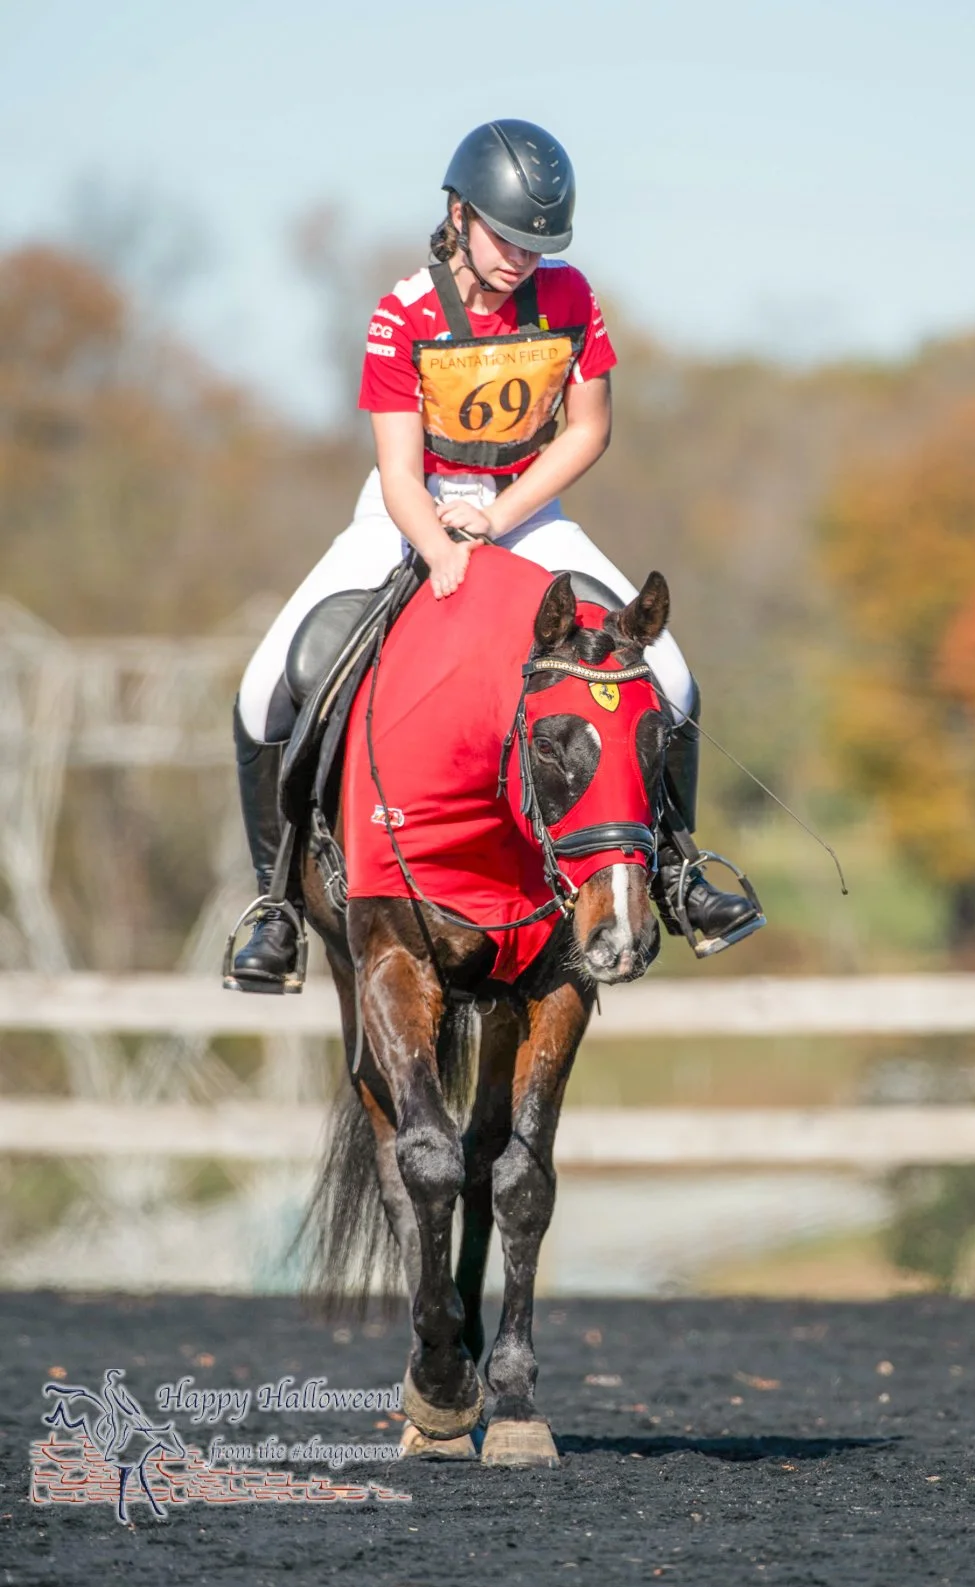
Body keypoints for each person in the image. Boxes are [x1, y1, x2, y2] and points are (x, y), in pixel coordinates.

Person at [229, 119, 763, 990]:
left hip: (527, 509)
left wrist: (503, 515)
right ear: (459, 214)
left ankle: (677, 869)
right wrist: (440, 546)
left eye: (538, 242)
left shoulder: (571, 296)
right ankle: (274, 910)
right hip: (408, 512)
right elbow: (398, 470)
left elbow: (588, 428)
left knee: (670, 671)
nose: (522, 257)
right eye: (507, 236)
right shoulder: (403, 311)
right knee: (262, 690)